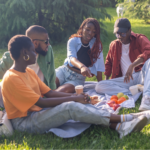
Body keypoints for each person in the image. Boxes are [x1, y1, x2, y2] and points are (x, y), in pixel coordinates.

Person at [1, 35, 148, 139]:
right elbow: (41, 102)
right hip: (25, 122)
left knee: (76, 109)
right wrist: (74, 99)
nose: (35, 54)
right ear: (24, 53)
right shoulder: (12, 78)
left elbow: (50, 93)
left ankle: (121, 127)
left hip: (37, 112)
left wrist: (75, 97)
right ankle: (127, 118)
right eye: (33, 51)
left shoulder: (29, 72)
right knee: (70, 108)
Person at [95, 18, 150, 111]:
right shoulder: (114, 44)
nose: (120, 36)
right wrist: (107, 82)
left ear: (129, 30)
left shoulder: (139, 38)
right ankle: (136, 91)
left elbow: (148, 51)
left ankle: (146, 98)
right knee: (99, 86)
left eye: (123, 33)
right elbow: (108, 63)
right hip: (126, 81)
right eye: (117, 34)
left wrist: (133, 65)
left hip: (141, 75)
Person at [0, 25, 56, 107]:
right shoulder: (12, 56)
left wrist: (53, 97)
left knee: (66, 86)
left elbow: (51, 74)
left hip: (39, 92)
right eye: (46, 41)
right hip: (18, 98)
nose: (49, 44)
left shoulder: (47, 50)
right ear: (35, 43)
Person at [55, 18, 105, 93]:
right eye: (87, 29)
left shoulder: (96, 46)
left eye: (93, 32)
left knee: (60, 92)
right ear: (82, 28)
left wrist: (101, 86)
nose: (90, 33)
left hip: (78, 79)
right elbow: (72, 58)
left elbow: (99, 67)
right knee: (46, 85)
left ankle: (47, 102)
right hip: (64, 71)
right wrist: (82, 67)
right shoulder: (73, 41)